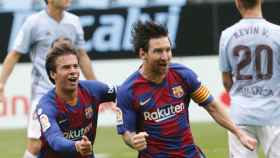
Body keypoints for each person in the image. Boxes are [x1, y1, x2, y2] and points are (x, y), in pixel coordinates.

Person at [115, 20, 257, 158]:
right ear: (142, 54)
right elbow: (127, 133)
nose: (165, 57)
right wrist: (133, 141)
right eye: (158, 51)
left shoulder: (183, 75)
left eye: (168, 50)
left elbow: (212, 106)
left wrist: (239, 133)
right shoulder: (128, 91)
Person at [0, 0, 96, 158]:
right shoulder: (33, 22)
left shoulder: (74, 21)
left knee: (76, 139)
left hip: (69, 94)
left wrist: (94, 84)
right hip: (42, 93)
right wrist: (1, 83)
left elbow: (82, 55)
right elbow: (14, 54)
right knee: (36, 144)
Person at [219, 0, 280, 158]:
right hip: (273, 113)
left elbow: (226, 81)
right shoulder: (277, 32)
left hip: (241, 114)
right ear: (260, 1)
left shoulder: (227, 35)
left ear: (237, 2)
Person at [36, 42, 115, 158]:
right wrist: (77, 146)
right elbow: (55, 140)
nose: (73, 71)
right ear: (53, 74)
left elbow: (125, 92)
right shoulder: (46, 105)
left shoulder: (92, 89)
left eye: (75, 66)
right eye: (66, 67)